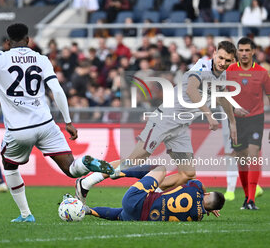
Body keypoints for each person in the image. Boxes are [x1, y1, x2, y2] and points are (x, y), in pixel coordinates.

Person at [0, 23, 114, 222]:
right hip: (46, 125)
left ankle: (26, 215)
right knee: (71, 169)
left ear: (8, 42)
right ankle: (85, 163)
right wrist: (68, 121)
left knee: (9, 167)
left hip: (19, 130)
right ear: (28, 40)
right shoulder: (41, 59)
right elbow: (58, 91)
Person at [75, 41, 238, 204]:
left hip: (180, 128)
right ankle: (86, 183)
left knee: (187, 174)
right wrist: (209, 115)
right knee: (134, 161)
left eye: (228, 61)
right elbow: (191, 90)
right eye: (221, 58)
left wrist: (232, 123)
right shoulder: (202, 66)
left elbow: (223, 97)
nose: (223, 63)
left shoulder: (222, 76)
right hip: (164, 119)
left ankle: (148, 196)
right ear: (215, 53)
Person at [81, 163, 224, 222]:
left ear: (206, 194)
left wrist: (204, 193)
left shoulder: (196, 188)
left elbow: (196, 181)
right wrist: (207, 208)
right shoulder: (198, 217)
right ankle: (88, 211)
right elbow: (203, 205)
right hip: (140, 216)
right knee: (118, 214)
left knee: (160, 168)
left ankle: (120, 173)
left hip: (136, 198)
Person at [226, 37, 270, 210]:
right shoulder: (230, 70)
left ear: (253, 52)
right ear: (237, 52)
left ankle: (251, 199)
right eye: (241, 50)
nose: (244, 53)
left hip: (255, 118)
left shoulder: (262, 72)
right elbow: (223, 95)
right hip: (236, 121)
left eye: (247, 50)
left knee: (253, 154)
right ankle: (246, 197)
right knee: (242, 159)